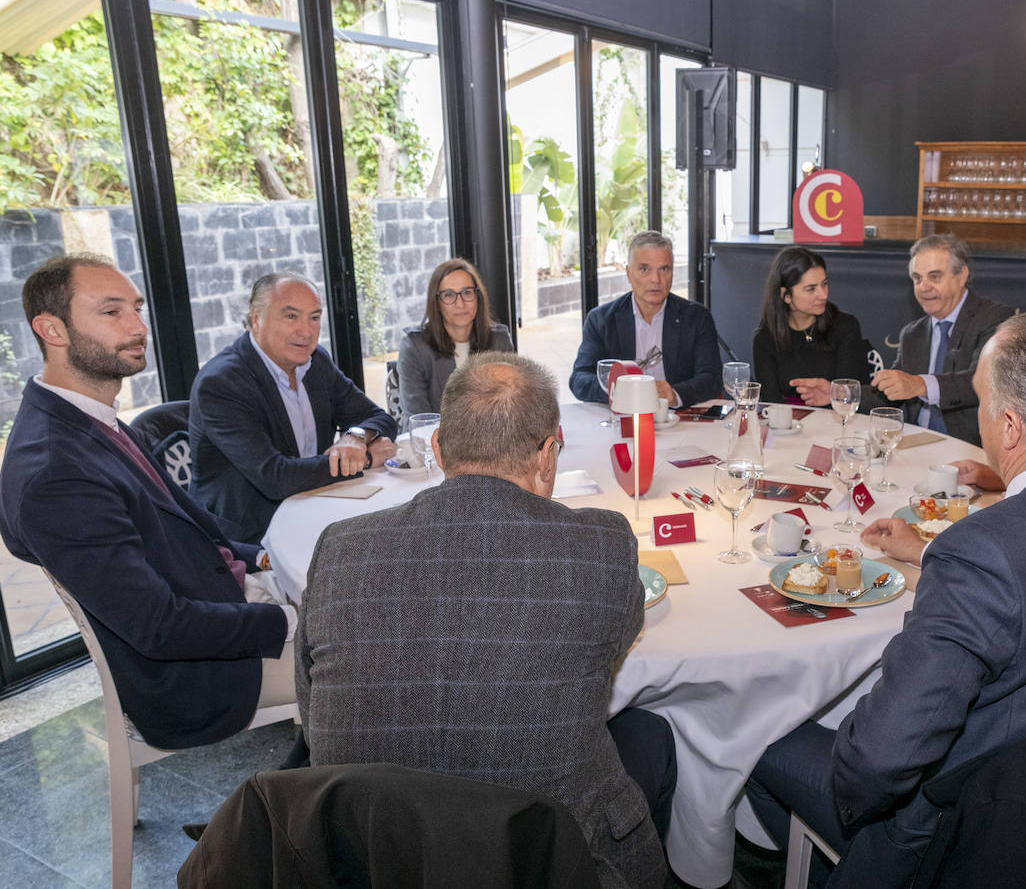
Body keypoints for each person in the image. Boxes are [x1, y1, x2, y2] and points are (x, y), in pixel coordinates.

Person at [746, 310, 1026, 888]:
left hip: (971, 835)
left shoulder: (981, 550)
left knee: (754, 734)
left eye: (980, 399)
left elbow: (879, 763)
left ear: (1008, 426)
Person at [297, 352, 675, 889]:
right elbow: (616, 633)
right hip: (551, 861)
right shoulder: (602, 546)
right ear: (548, 455)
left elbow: (314, 721)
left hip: (373, 858)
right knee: (652, 736)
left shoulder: (340, 548)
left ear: (437, 448)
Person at [0, 254, 294, 750]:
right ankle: (304, 806)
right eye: (111, 312)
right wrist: (289, 619)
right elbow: (160, 628)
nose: (139, 327)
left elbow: (189, 523)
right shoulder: (56, 472)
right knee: (376, 645)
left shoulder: (89, 417)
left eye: (136, 308)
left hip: (223, 595)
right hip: (196, 679)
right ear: (52, 329)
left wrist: (259, 558)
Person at [189, 273, 397, 541]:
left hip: (316, 508)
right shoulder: (221, 384)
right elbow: (275, 477)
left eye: (314, 317)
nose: (307, 331)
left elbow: (376, 416)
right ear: (256, 318)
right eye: (291, 317)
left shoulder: (315, 362)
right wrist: (364, 460)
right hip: (250, 537)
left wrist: (355, 437)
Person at [863, 234, 1013, 445]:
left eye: (934, 277)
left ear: (962, 276)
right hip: (914, 445)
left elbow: (983, 383)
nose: (924, 287)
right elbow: (890, 392)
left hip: (969, 449)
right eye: (917, 278)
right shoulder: (912, 334)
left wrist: (919, 384)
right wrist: (839, 393)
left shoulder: (995, 318)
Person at [569, 230, 722, 408]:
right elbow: (579, 379)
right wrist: (620, 389)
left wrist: (675, 393)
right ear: (628, 273)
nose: (655, 279)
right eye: (644, 269)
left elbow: (711, 379)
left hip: (678, 419)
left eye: (664, 269)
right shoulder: (601, 320)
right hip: (622, 417)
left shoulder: (696, 317)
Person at [396, 257, 513, 422]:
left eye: (467, 293)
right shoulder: (415, 347)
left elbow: (512, 406)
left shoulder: (499, 341)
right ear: (436, 302)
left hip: (491, 442)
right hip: (433, 442)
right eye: (449, 295)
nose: (460, 303)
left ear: (478, 298)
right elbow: (419, 420)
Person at [752, 245, 868, 405]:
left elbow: (853, 394)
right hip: (785, 424)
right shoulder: (765, 338)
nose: (823, 294)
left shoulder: (846, 328)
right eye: (811, 289)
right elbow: (770, 402)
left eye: (824, 284)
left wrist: (835, 394)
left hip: (837, 422)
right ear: (785, 295)